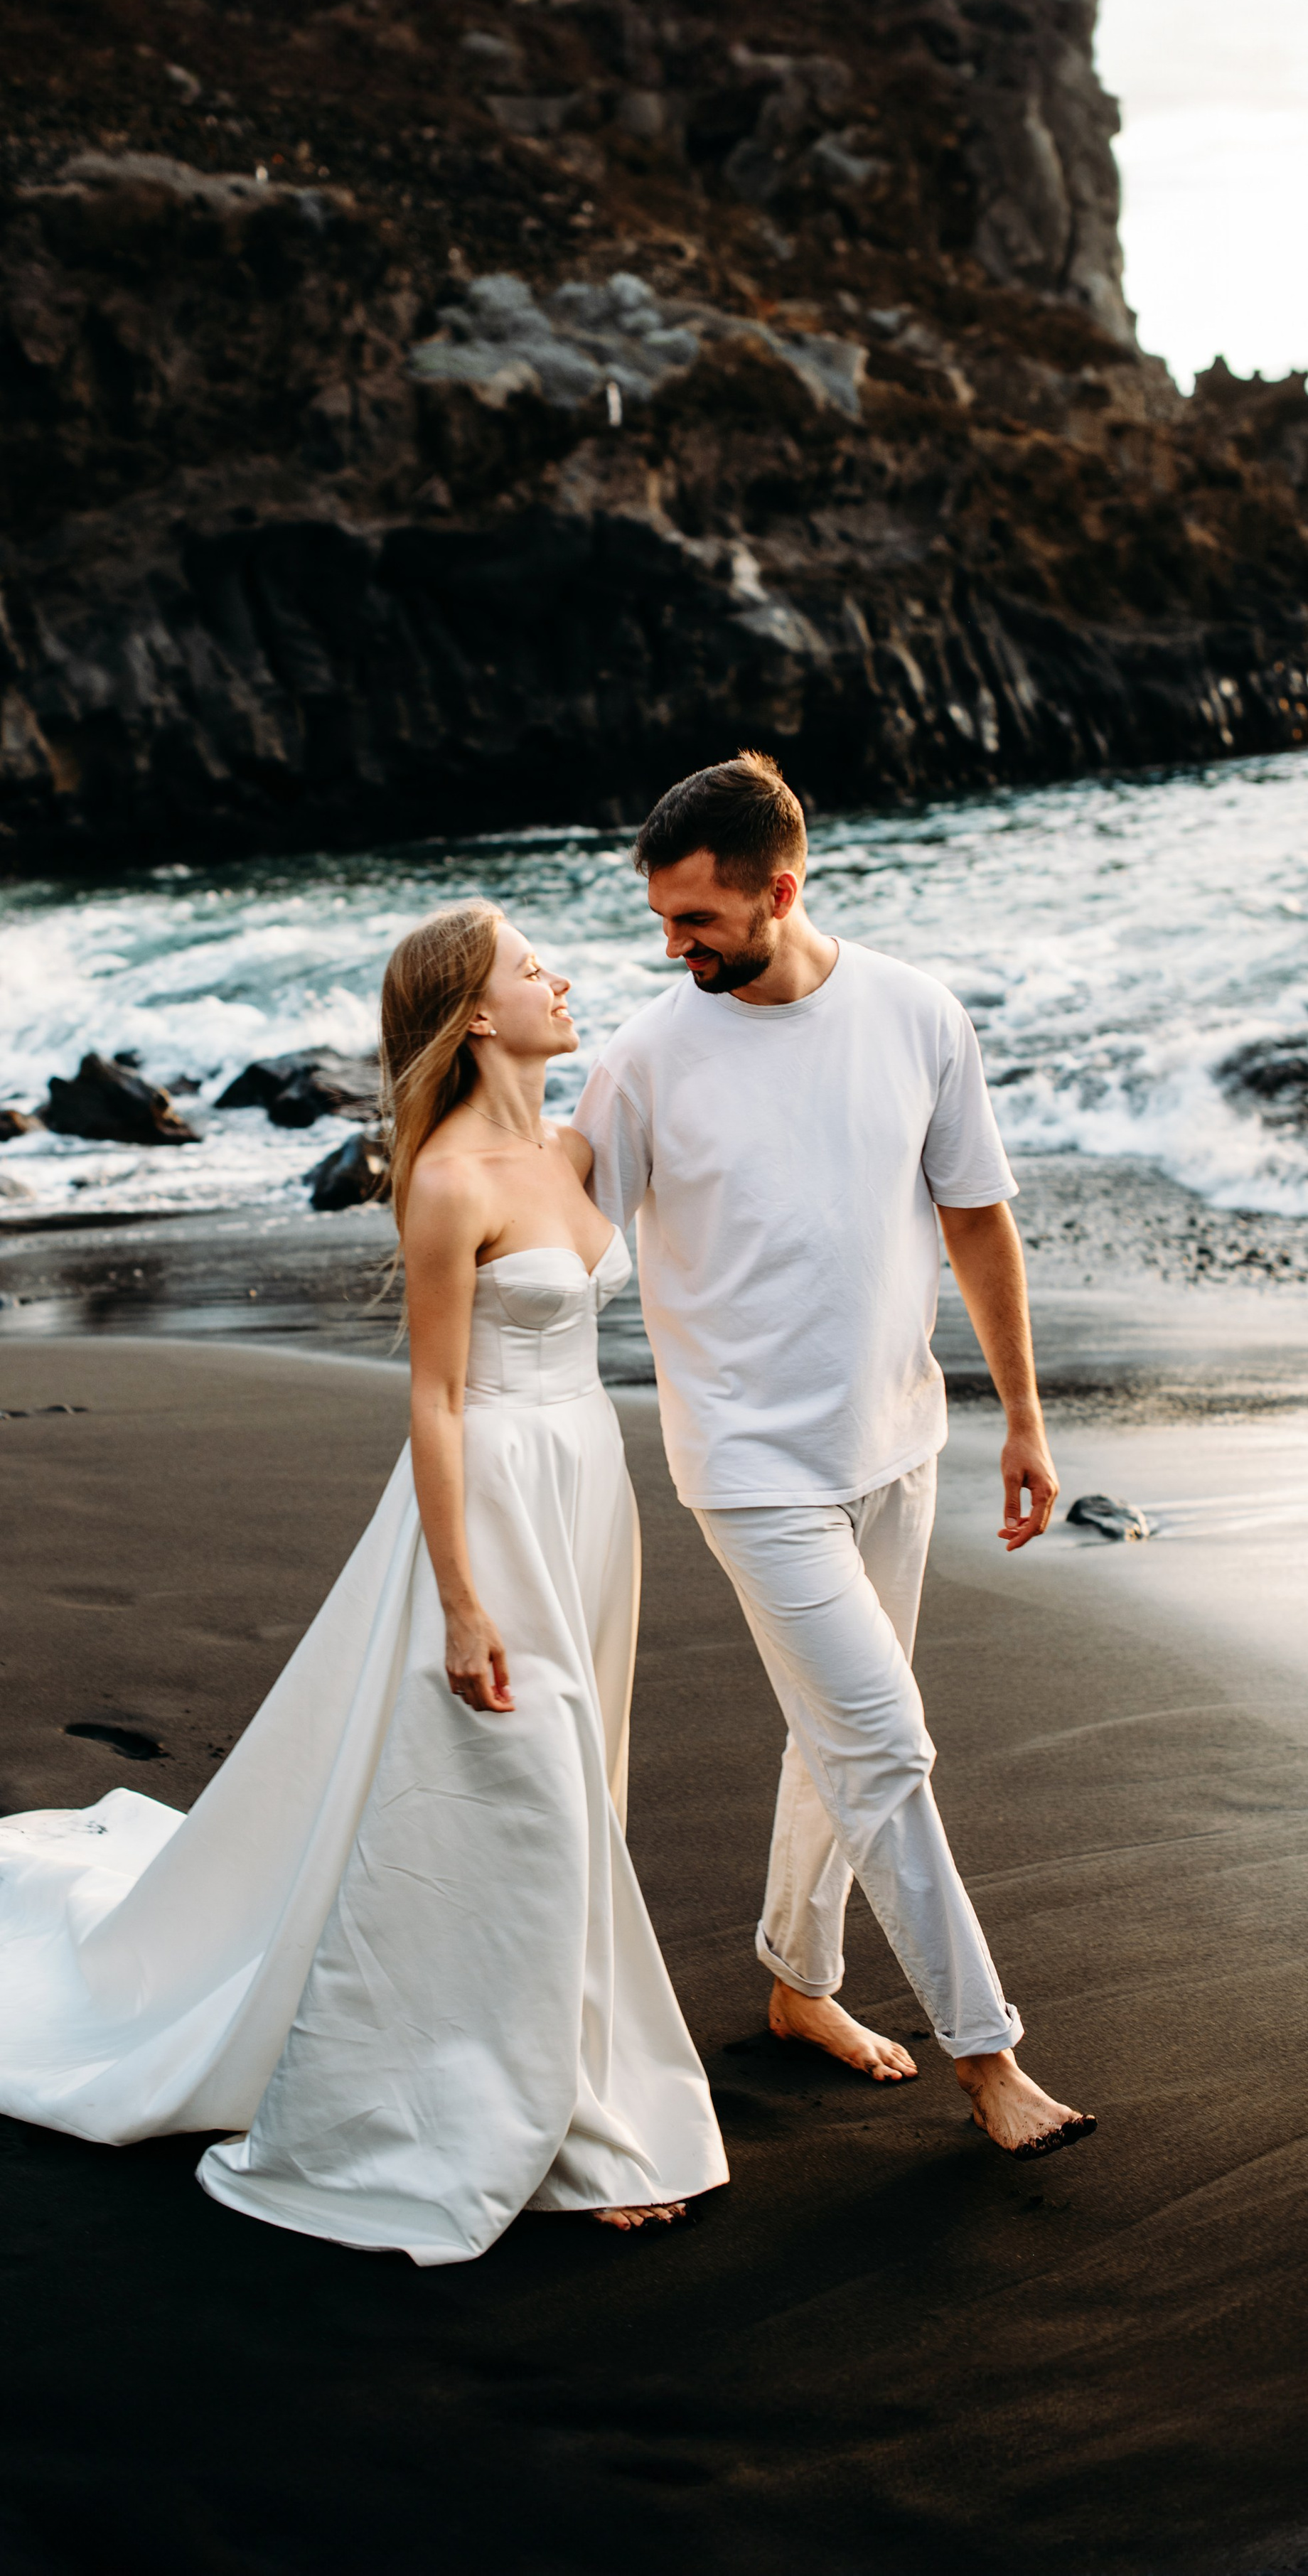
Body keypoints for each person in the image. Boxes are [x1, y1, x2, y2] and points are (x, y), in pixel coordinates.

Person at [0, 900, 727, 2263]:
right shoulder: (447, 1180)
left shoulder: (573, 1147)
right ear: (476, 1016)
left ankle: (565, 2071)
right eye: (529, 967)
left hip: (586, 1496)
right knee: (530, 1794)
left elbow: (709, 1081)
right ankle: (547, 2123)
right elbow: (434, 1404)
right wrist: (462, 1597)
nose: (563, 977)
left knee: (577, 1789)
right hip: (489, 1499)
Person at [574, 754, 1097, 2162]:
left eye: (695, 921)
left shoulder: (911, 1012)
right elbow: (562, 1249)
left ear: (779, 891)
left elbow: (976, 1220)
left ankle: (797, 1983)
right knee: (883, 1745)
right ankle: (987, 2058)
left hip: (897, 1442)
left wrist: (1022, 1421)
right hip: (746, 1466)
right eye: (660, 921)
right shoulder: (638, 1063)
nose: (670, 948)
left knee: (838, 1733)